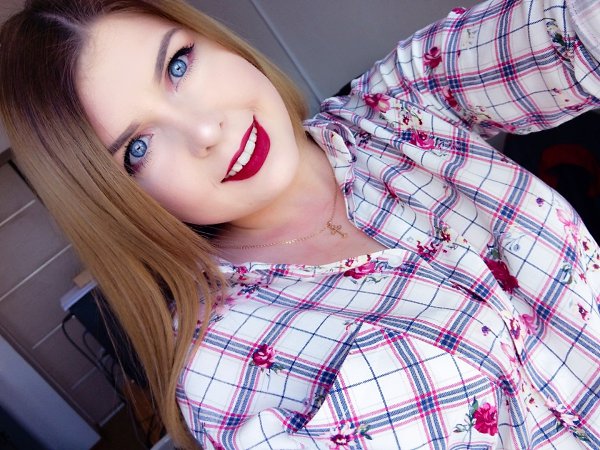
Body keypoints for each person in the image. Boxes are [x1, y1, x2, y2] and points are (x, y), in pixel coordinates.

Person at [1, 0, 599, 448]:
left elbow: (567, 32)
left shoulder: (400, 105)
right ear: (117, 202)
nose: (206, 130)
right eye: (138, 148)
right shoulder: (220, 369)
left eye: (179, 65)